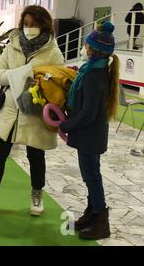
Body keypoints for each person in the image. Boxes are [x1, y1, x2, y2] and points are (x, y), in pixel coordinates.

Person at [0, 5, 64, 216]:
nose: (29, 28)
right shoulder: (13, 45)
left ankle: (37, 195)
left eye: (34, 24)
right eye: (26, 23)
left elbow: (59, 80)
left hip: (36, 110)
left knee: (36, 154)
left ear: (43, 25)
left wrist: (40, 79)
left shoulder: (53, 51)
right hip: (10, 109)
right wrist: (22, 74)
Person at [60, 22, 119, 240]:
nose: (84, 49)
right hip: (89, 135)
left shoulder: (95, 77)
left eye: (87, 46)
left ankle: (101, 220)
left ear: (95, 50)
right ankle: (92, 212)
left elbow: (88, 113)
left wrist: (65, 124)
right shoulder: (92, 71)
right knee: (90, 175)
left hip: (90, 136)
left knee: (92, 176)